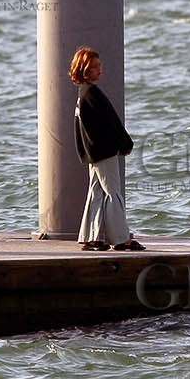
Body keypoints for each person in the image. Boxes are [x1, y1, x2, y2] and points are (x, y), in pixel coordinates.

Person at [69, 46, 143, 252]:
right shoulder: (93, 94)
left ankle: (91, 237)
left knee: (96, 193)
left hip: (93, 153)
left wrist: (86, 152)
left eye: (99, 65)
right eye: (95, 66)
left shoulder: (83, 93)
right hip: (104, 151)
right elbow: (111, 123)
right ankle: (121, 239)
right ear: (85, 69)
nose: (99, 70)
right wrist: (125, 143)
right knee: (113, 193)